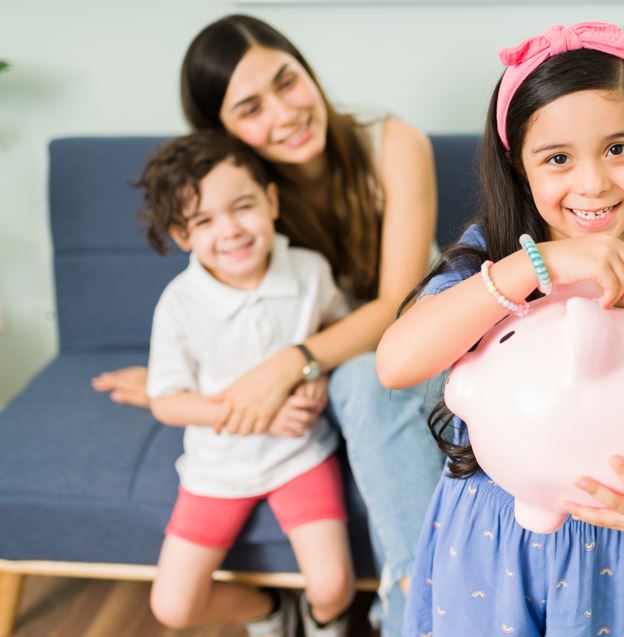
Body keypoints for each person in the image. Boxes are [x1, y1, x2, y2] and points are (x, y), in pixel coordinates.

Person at [376, 22, 624, 637]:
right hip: (482, 544)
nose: (592, 183)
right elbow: (396, 362)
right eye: (559, 158)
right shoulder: (489, 258)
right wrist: (538, 265)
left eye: (618, 149)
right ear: (519, 164)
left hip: (604, 551)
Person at [91, 15, 445, 636]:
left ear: (306, 68)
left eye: (288, 81)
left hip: (419, 342)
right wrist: (190, 390)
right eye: (250, 107)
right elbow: (234, 312)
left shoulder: (392, 142)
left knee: (365, 381)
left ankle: (420, 610)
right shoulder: (240, 195)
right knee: (356, 381)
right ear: (222, 131)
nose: (284, 114)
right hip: (335, 367)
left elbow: (396, 304)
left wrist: (295, 362)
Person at [141, 132, 354, 636]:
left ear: (271, 201)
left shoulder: (309, 272)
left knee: (332, 585)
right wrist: (254, 413)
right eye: (205, 221)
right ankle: (270, 611)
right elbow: (166, 403)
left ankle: (323, 622)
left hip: (299, 457)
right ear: (181, 234)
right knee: (173, 606)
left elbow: (339, 334)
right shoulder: (179, 303)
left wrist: (315, 374)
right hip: (217, 469)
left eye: (243, 207)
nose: (231, 230)